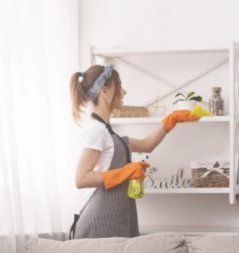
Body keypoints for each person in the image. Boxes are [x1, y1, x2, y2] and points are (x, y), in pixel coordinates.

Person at [68, 64, 196, 238]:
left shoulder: (108, 132)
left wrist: (170, 121)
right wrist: (126, 172)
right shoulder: (95, 130)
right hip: (100, 223)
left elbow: (146, 145)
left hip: (114, 218)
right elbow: (81, 178)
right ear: (105, 92)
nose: (124, 92)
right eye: (119, 87)